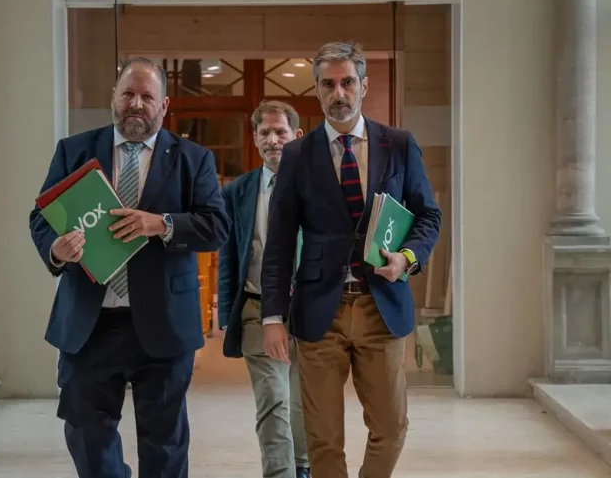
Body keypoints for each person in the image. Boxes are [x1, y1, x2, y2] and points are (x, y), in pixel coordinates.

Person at [29, 57, 230, 478]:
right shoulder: (75, 150)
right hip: (89, 324)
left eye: (146, 97)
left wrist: (162, 224)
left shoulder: (193, 158)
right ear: (114, 99)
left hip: (164, 325)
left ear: (164, 104)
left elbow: (217, 227)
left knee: (164, 443)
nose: (136, 104)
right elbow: (42, 217)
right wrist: (57, 251)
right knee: (87, 436)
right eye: (128, 94)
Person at [260, 42, 441, 478]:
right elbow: (281, 240)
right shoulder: (297, 156)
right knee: (323, 438)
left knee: (391, 428)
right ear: (317, 90)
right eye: (327, 84)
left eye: (346, 82)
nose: (338, 93)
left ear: (363, 85)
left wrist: (407, 258)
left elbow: (428, 215)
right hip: (321, 310)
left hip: (383, 306)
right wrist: (271, 316)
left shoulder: (397, 144)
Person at [217, 100, 310, 478]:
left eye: (280, 132)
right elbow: (230, 256)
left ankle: (302, 466)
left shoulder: (317, 187)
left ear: (296, 136)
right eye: (265, 133)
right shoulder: (237, 192)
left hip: (309, 310)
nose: (273, 140)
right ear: (254, 138)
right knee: (274, 399)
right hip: (256, 309)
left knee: (304, 401)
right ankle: (280, 474)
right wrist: (227, 312)